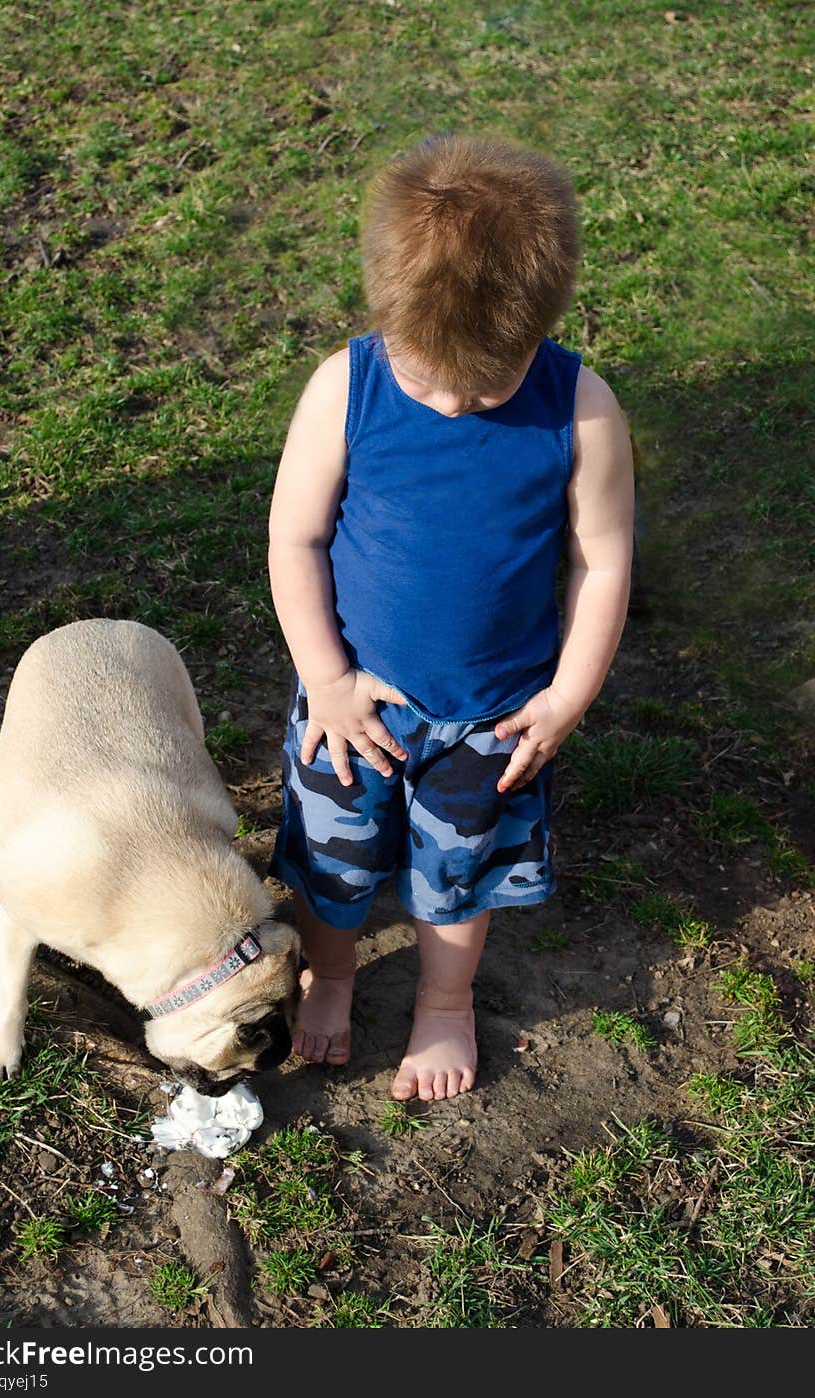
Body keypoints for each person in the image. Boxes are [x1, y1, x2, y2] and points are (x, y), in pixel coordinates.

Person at [267, 132, 634, 1102]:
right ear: (386, 319)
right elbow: (294, 540)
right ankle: (333, 975)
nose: (460, 400)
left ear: (540, 326)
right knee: (333, 861)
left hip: (497, 713)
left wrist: (565, 699)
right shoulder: (345, 388)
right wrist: (328, 680)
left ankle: (442, 1001)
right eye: (432, 379)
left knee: (460, 870)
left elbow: (601, 561)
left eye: (490, 382)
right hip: (356, 698)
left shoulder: (581, 408)